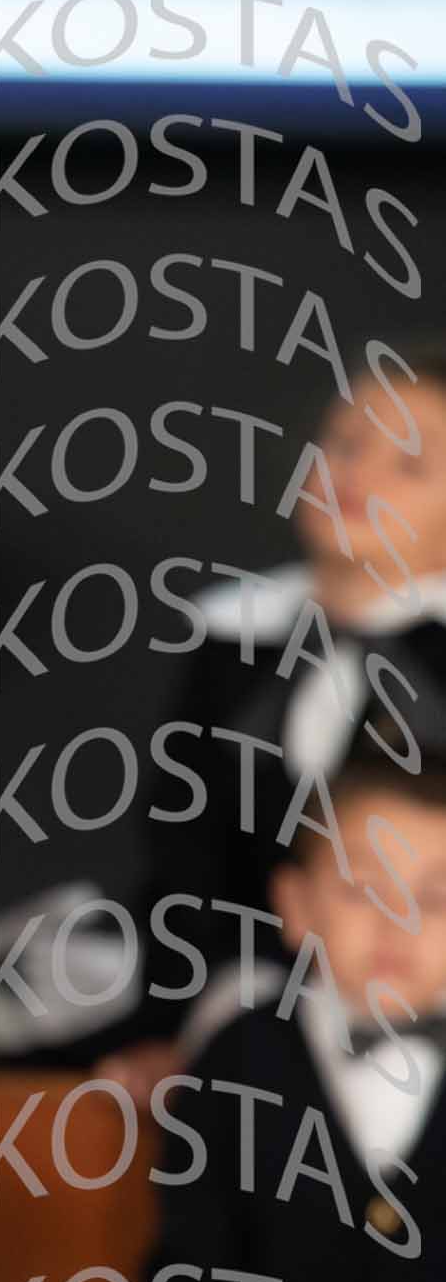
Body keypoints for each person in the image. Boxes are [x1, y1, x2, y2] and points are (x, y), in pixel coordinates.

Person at [67, 725, 446, 1282]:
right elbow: (194, 1281)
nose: (398, 922)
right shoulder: (239, 1059)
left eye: (434, 896)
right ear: (296, 904)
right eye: (364, 889)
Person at [127, 342, 446, 1096]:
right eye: (346, 444)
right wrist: (170, 1030)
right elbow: (185, 860)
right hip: (241, 1015)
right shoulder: (234, 637)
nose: (358, 476)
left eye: (409, 464)